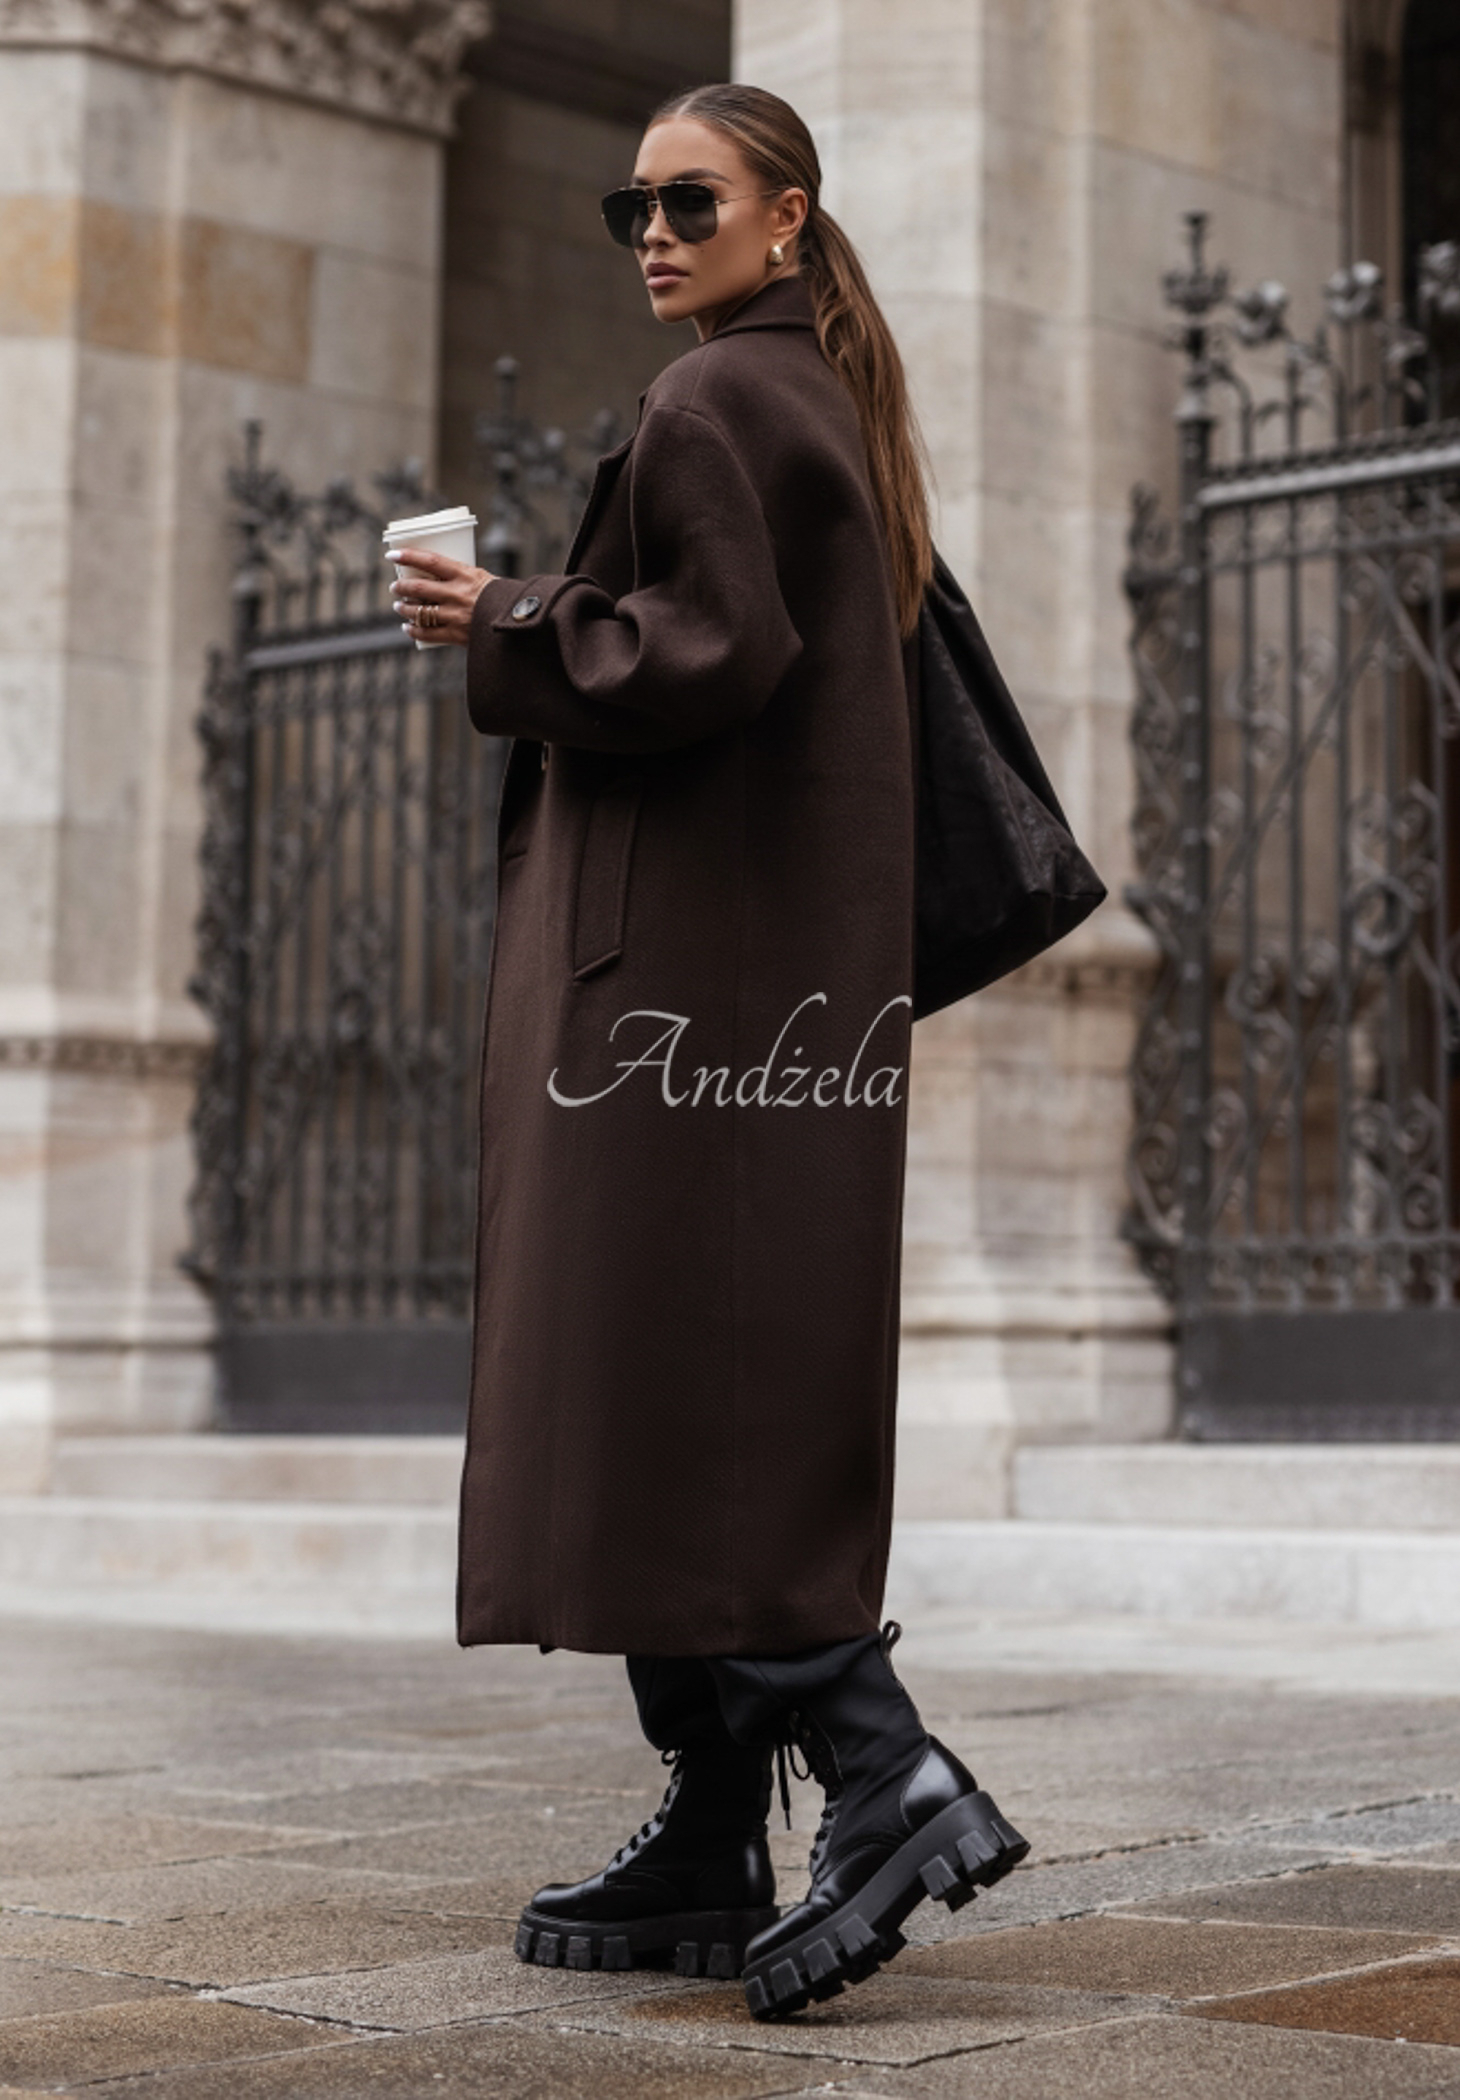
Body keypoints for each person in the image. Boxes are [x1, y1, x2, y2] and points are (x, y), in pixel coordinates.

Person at [387, 81, 1027, 2022]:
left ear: (787, 219)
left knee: (672, 1370)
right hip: (752, 986)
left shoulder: (717, 400)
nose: (654, 234)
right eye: (632, 207)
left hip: (681, 999)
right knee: (686, 1364)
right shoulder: (808, 398)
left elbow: (711, 647)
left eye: (692, 201)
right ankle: (711, 1821)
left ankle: (882, 1773)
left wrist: (503, 614)